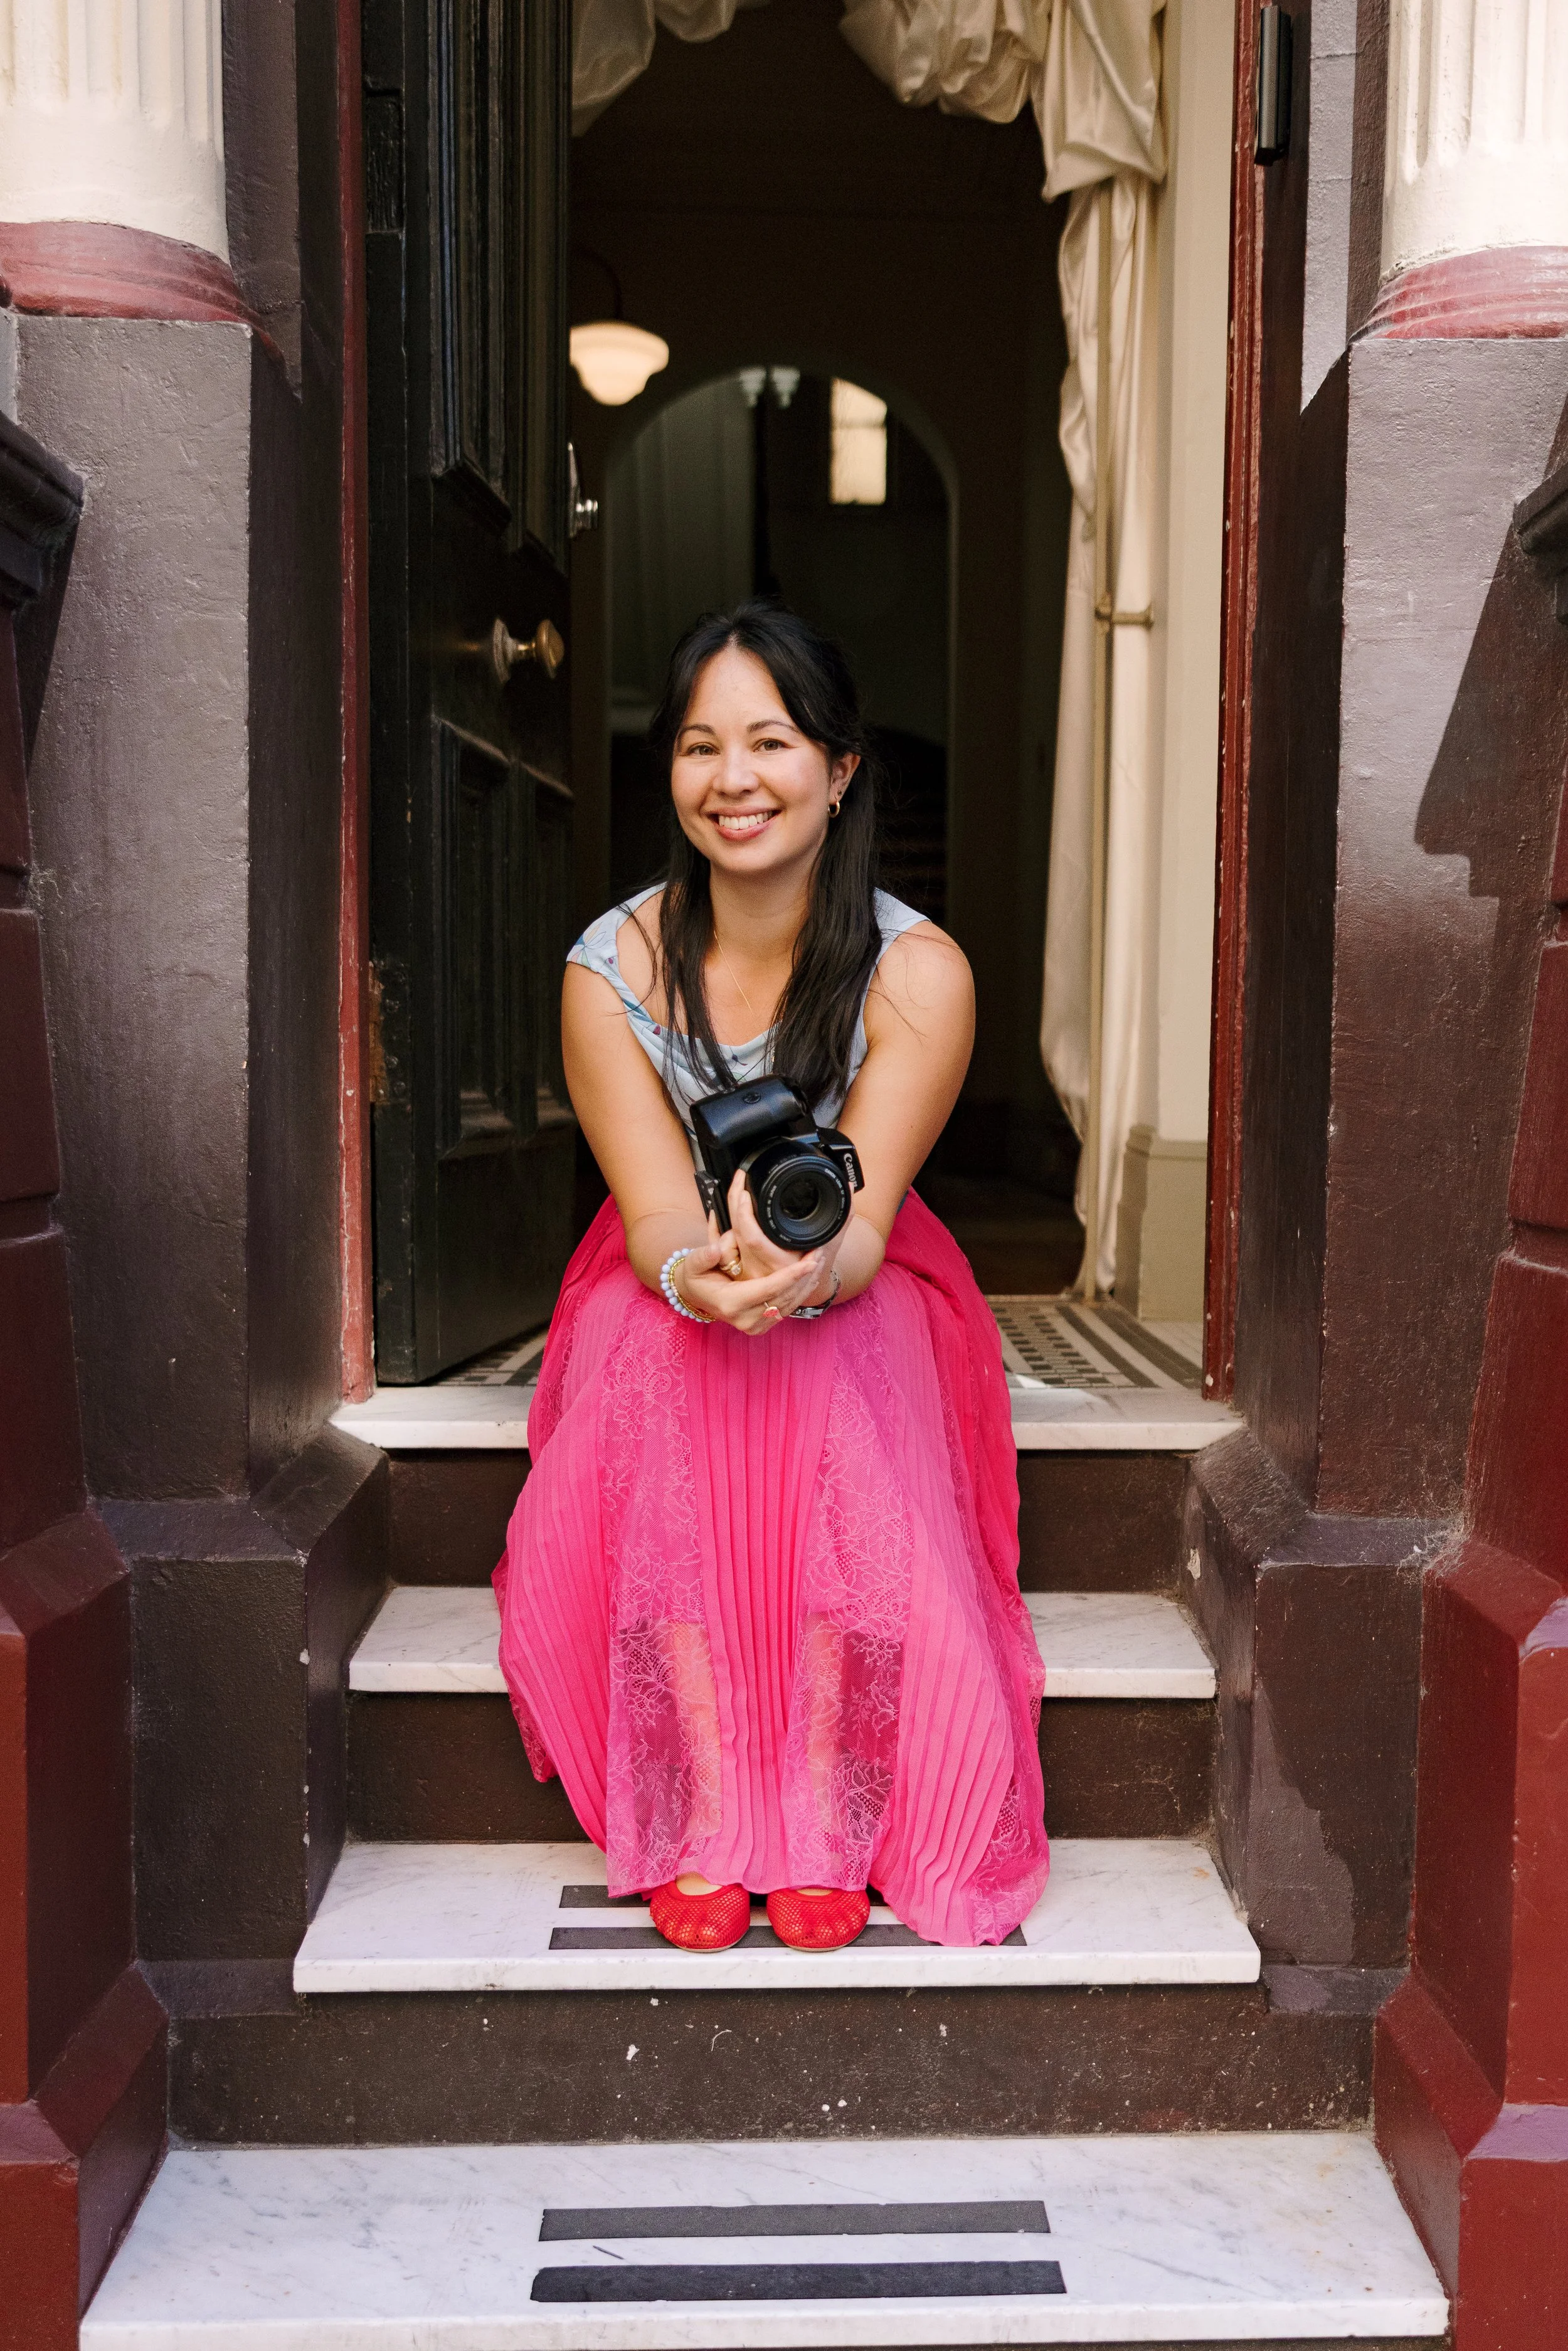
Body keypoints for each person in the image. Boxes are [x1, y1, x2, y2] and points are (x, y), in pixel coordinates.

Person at [494, 603, 1049, 1952]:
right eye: (698, 746)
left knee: (829, 1360)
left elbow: (862, 1214)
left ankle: (818, 1805)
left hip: (861, 1268)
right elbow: (646, 1214)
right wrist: (700, 1274)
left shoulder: (917, 970)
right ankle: (695, 1801)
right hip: (669, 1265)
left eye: (769, 741)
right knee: (653, 1351)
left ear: (839, 766)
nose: (731, 779)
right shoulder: (609, 965)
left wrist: (800, 1274)